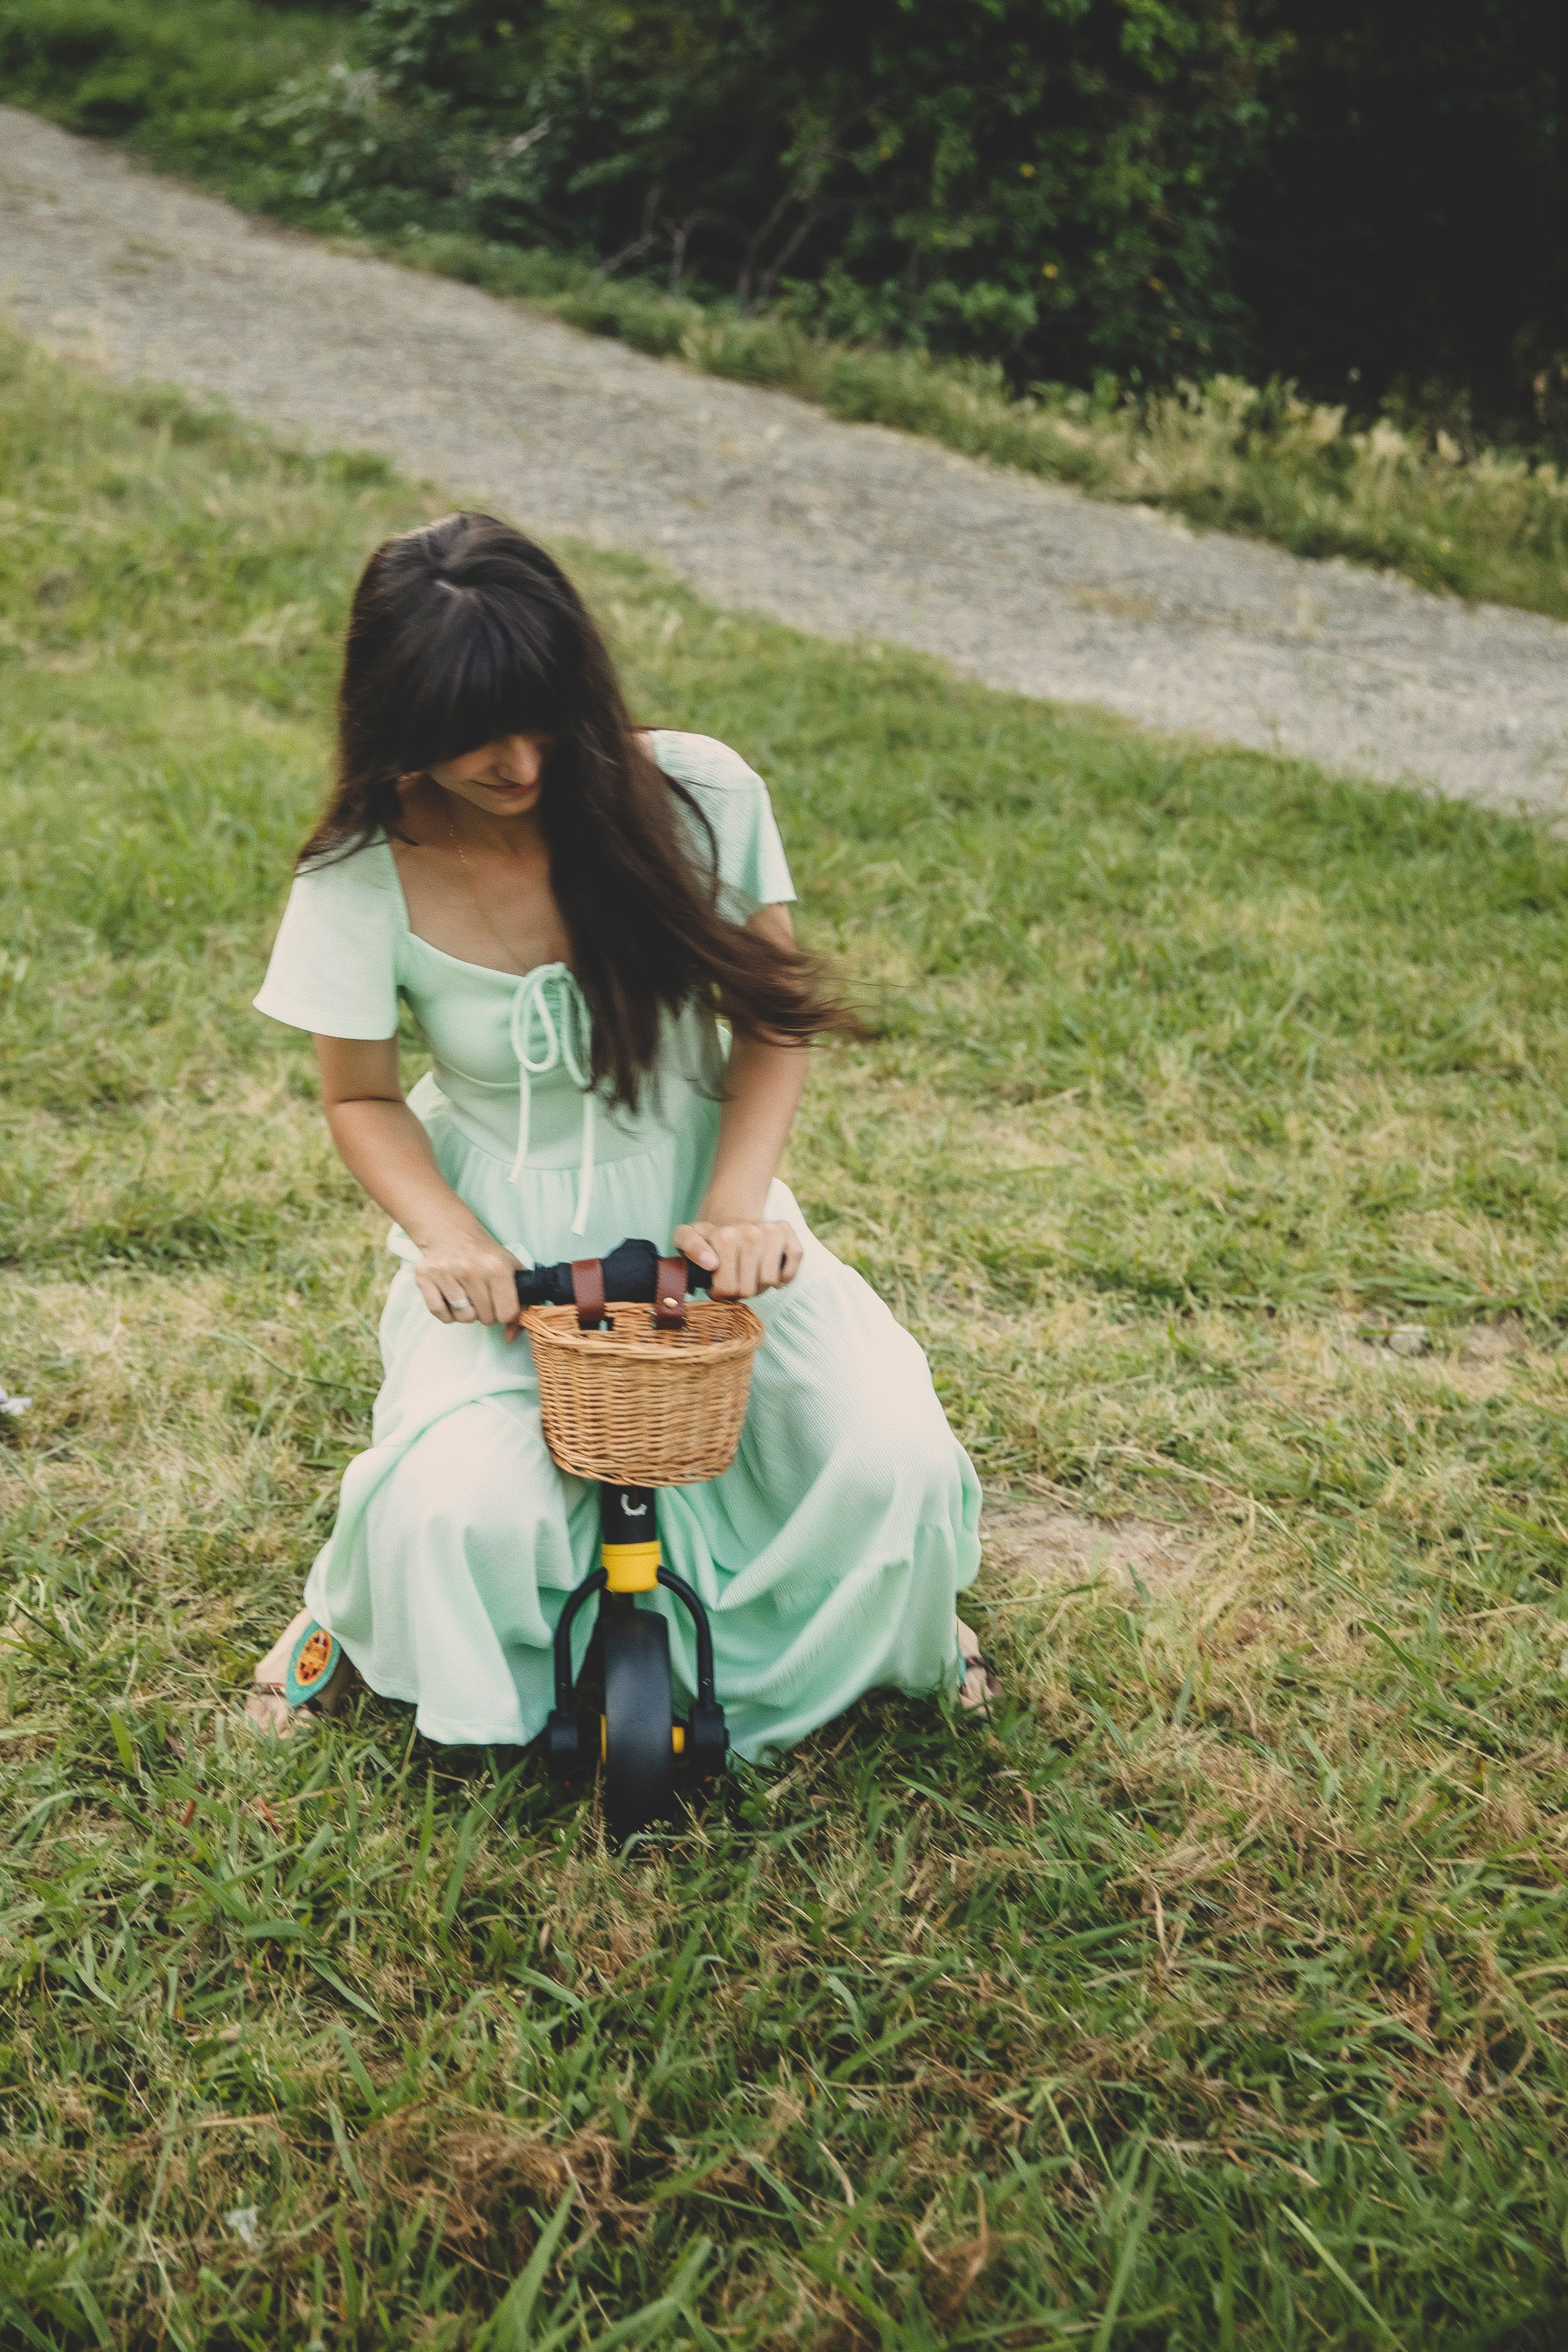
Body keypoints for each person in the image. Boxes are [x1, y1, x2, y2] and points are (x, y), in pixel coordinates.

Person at [248, 511, 990, 1758]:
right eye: (474, 733)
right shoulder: (359, 873)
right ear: (396, 718)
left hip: (708, 1208)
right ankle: (351, 1600)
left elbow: (772, 1023)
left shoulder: (695, 793)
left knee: (888, 1457)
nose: (520, 760)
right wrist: (446, 1237)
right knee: (457, 1516)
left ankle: (903, 1619)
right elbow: (360, 1098)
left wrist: (741, 1206)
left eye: (545, 715)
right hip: (505, 1241)